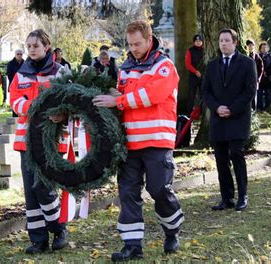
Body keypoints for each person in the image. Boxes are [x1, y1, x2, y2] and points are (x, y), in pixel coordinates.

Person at [92, 20, 183, 261]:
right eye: (130, 44)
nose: (133, 48)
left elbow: (152, 95)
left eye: (138, 43)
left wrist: (119, 101)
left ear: (149, 38)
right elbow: (123, 96)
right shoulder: (126, 68)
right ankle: (132, 245)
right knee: (128, 193)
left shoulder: (164, 66)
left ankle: (172, 231)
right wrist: (112, 96)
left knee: (159, 189)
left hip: (157, 141)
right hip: (130, 143)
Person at [9, 29, 69, 254]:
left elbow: (71, 101)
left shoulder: (60, 72)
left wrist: (62, 113)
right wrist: (31, 107)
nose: (32, 49)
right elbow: (14, 100)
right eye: (29, 46)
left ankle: (59, 228)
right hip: (26, 141)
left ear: (47, 47)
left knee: (43, 186)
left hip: (51, 140)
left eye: (36, 45)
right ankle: (38, 239)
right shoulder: (21, 74)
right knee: (31, 192)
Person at [202, 28, 257, 212]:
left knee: (236, 154)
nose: (223, 43)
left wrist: (232, 109)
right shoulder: (212, 65)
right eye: (221, 41)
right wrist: (217, 107)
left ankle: (243, 195)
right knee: (221, 159)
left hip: (238, 118)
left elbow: (249, 91)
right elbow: (206, 91)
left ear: (234, 42)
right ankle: (227, 197)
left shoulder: (247, 63)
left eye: (227, 40)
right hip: (218, 119)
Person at [185, 34, 204, 112]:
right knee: (191, 95)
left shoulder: (205, 50)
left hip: (203, 77)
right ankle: (189, 114)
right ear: (194, 42)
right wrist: (195, 72)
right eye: (196, 41)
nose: (198, 42)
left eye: (200, 41)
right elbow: (188, 64)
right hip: (193, 77)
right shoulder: (190, 50)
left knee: (203, 95)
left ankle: (202, 113)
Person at [246, 39, 264, 110]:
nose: (250, 47)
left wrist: (258, 78)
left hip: (254, 79)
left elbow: (261, 68)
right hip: (245, 79)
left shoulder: (256, 56)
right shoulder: (244, 55)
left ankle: (253, 111)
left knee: (254, 96)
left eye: (251, 45)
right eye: (249, 46)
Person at [6, 49, 25, 117]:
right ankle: (15, 118)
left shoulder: (25, 63)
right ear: (15, 55)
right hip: (14, 86)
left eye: (21, 54)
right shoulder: (10, 64)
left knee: (23, 103)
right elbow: (9, 75)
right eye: (18, 54)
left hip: (24, 86)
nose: (19, 55)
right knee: (15, 103)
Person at [258, 41, 271, 111]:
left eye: (265, 48)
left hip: (269, 79)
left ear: (268, 48)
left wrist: (267, 73)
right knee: (259, 95)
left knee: (269, 95)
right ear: (260, 49)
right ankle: (260, 108)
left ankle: (268, 108)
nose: (264, 49)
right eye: (262, 48)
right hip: (260, 79)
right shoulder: (257, 56)